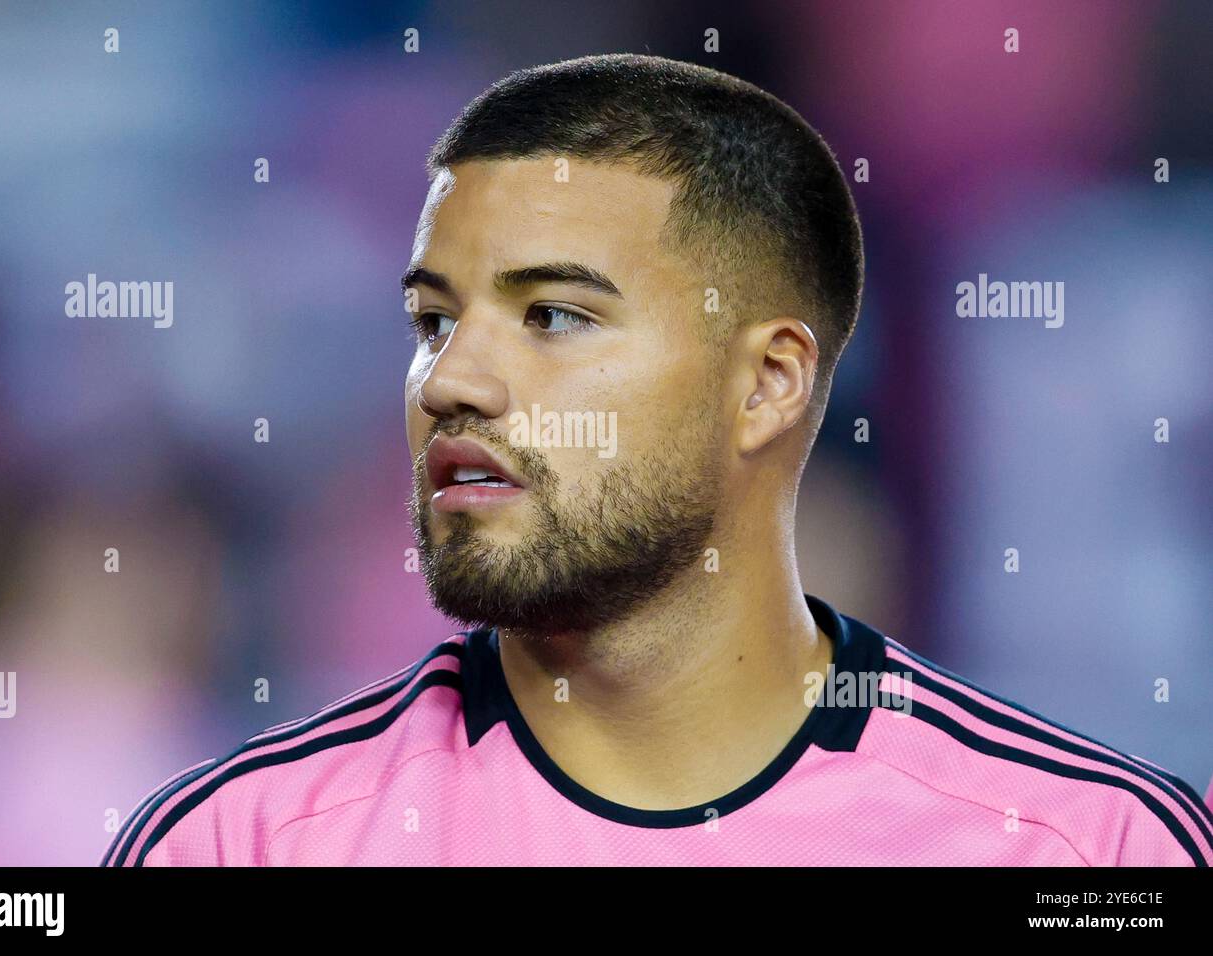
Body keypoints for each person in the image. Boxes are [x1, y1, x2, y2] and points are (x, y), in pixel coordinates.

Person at [102, 53, 1211, 866]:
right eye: (434, 321)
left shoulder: (1091, 852)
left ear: (769, 382)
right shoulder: (236, 843)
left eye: (554, 316)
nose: (450, 382)